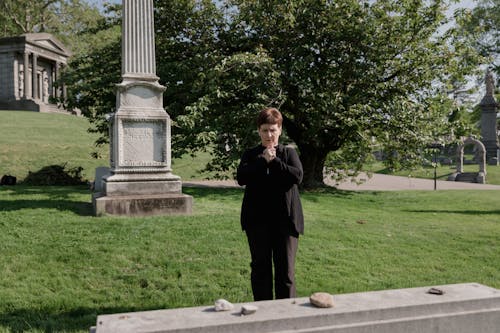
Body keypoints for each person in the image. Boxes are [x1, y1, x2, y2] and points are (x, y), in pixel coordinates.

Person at [237, 107, 304, 300]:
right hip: (257, 222)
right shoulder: (251, 155)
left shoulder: (288, 153)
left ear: (280, 130)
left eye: (273, 130)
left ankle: (285, 316)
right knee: (260, 270)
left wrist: (274, 162)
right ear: (259, 130)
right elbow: (242, 178)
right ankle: (263, 315)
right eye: (265, 130)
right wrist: (262, 161)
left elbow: (297, 176)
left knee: (286, 273)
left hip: (286, 222)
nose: (269, 134)